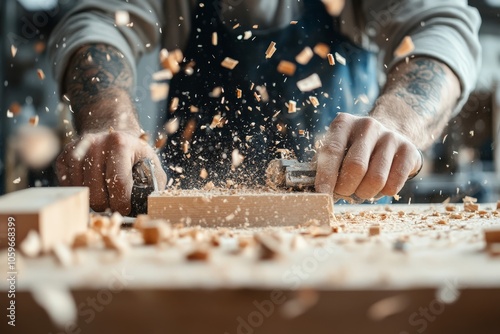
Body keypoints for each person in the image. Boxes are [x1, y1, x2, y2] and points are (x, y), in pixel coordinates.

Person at [48, 0, 481, 215]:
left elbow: (439, 23)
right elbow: (98, 18)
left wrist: (399, 120)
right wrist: (109, 118)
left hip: (345, 218)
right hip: (189, 220)